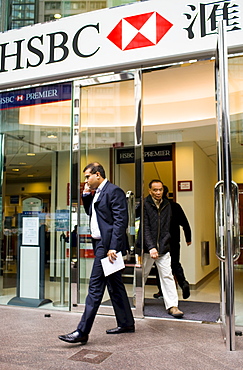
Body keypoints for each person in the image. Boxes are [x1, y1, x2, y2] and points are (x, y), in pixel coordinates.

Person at [59, 163, 135, 345]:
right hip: (100, 244)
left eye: (87, 177)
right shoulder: (97, 193)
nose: (86, 180)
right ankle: (126, 323)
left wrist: (113, 247)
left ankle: (82, 331)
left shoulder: (114, 191)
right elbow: (93, 213)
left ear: (98, 175)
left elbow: (120, 222)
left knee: (95, 287)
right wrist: (86, 195)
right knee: (115, 285)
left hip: (107, 246)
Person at [143, 179, 183, 318]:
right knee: (143, 275)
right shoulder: (144, 204)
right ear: (150, 191)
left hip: (163, 248)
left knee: (167, 275)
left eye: (160, 190)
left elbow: (166, 228)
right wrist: (151, 247)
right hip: (147, 248)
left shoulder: (167, 205)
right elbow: (145, 228)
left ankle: (173, 306)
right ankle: (138, 297)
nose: (158, 192)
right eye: (155, 190)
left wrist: (164, 245)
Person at [153, 185, 191, 300]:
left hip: (160, 241)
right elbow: (185, 223)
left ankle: (161, 290)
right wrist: (188, 238)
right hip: (174, 240)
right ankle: (183, 282)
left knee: (159, 265)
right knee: (175, 263)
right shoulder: (175, 206)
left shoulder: (157, 208)